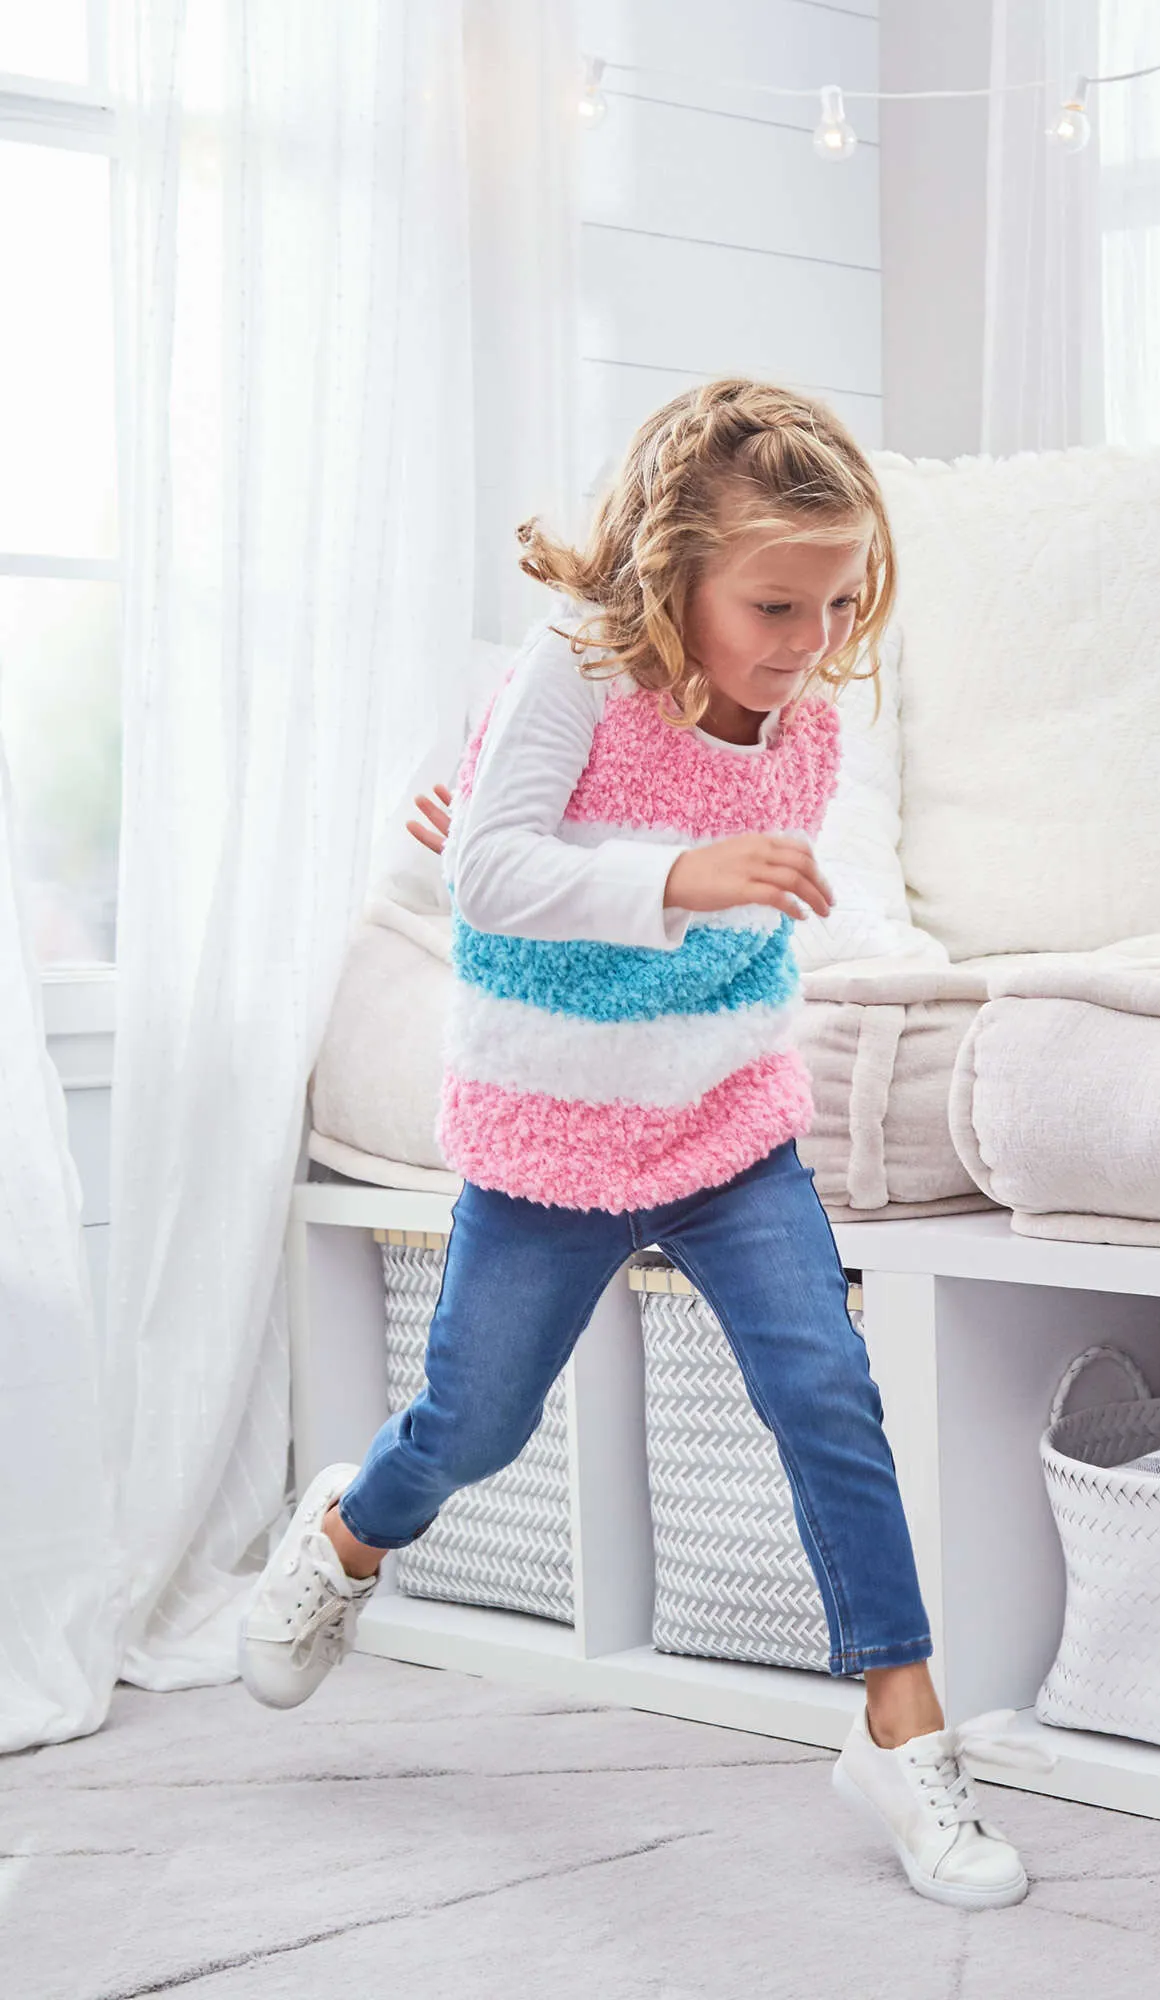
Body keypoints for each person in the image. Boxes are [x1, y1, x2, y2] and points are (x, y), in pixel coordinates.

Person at [238, 378, 1039, 1910]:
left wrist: (729, 888)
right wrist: (667, 867)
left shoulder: (805, 724)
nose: (808, 643)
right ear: (676, 573)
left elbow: (770, 889)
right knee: (472, 1427)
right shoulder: (576, 671)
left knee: (828, 1396)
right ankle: (346, 1533)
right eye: (775, 604)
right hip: (549, 1137)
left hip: (728, 1121)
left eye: (838, 602)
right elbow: (492, 871)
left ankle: (902, 1729)